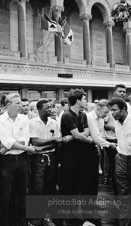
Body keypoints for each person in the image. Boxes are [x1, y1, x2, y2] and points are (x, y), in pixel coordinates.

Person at [0, 93, 36, 226]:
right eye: (17, 103)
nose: (20, 106)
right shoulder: (0, 120)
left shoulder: (24, 119)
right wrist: (27, 148)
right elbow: (7, 142)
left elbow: (25, 139)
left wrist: (11, 143)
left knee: (22, 194)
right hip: (8, 161)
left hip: (22, 159)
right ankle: (5, 222)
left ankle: (22, 222)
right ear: (8, 105)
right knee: (5, 195)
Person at [60, 89, 98, 225]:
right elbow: (83, 136)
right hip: (69, 157)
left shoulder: (83, 115)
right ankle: (71, 219)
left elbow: (85, 132)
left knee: (80, 185)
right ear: (77, 101)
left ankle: (79, 217)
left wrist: (74, 136)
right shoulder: (66, 115)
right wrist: (90, 141)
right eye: (84, 99)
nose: (86, 102)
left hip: (81, 157)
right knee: (71, 187)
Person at [29, 98, 62, 226]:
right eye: (47, 108)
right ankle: (35, 218)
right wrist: (52, 140)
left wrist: (44, 145)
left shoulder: (54, 122)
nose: (50, 109)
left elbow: (57, 141)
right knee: (37, 188)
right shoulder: (32, 123)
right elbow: (35, 142)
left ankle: (48, 217)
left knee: (50, 187)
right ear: (39, 110)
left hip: (51, 157)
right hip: (38, 158)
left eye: (50, 107)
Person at [108, 97, 131, 226]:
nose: (112, 113)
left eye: (114, 110)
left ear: (123, 109)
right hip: (121, 158)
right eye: (111, 110)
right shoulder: (116, 122)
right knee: (123, 195)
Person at [87, 100, 117, 195]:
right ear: (98, 109)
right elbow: (96, 137)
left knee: (94, 176)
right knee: (90, 176)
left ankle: (93, 201)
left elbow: (100, 135)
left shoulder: (100, 119)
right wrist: (109, 144)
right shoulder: (90, 117)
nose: (107, 115)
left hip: (97, 147)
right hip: (88, 149)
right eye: (105, 112)